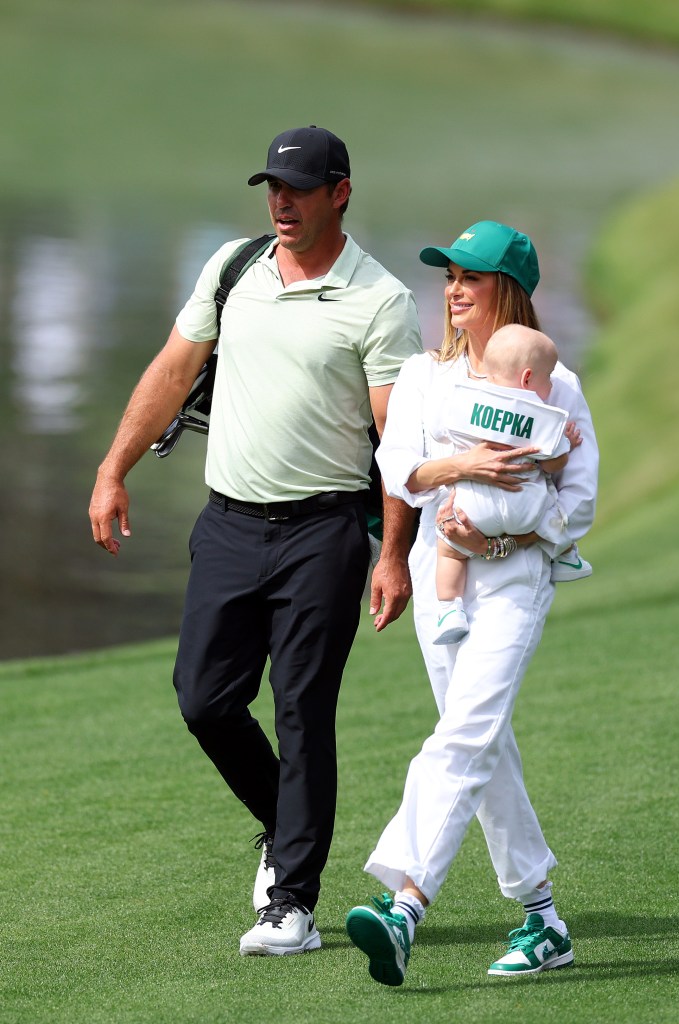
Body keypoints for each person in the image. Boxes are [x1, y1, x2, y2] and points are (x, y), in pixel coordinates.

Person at [88, 126, 422, 958]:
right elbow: (172, 368)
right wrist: (113, 466)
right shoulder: (234, 267)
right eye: (272, 186)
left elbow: (398, 441)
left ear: (339, 192)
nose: (280, 201)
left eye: (298, 188)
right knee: (203, 698)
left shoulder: (380, 300)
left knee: (303, 711)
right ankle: (284, 824)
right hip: (230, 522)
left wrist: (393, 553)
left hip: (325, 532)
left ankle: (293, 904)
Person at [345, 220, 598, 985]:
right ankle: (542, 918)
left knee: (464, 733)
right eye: (448, 275)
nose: (453, 290)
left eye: (470, 277)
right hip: (440, 572)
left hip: (515, 581)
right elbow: (398, 472)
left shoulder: (555, 388)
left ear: (507, 292)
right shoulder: (424, 375)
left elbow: (577, 503)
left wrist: (520, 532)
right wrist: (462, 470)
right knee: (481, 743)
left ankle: (404, 908)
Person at [432, 323, 574, 645]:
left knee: (449, 550)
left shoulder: (468, 401)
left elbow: (442, 433)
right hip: (524, 508)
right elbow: (555, 464)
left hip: (474, 508)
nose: (550, 384)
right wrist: (566, 444)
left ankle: (449, 608)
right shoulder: (543, 416)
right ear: (527, 378)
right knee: (551, 495)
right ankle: (564, 551)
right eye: (548, 377)